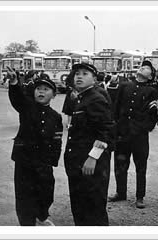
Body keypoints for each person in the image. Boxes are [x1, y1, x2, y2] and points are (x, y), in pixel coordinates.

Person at [7, 67, 63, 226]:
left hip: (43, 162)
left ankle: (41, 215)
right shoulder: (27, 107)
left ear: (53, 95)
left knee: (46, 191)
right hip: (24, 161)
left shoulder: (56, 117)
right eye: (38, 89)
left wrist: (52, 160)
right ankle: (27, 224)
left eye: (46, 89)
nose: (41, 92)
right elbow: (17, 98)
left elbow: (57, 139)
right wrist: (14, 82)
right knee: (24, 195)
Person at [63, 63, 114, 226]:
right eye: (77, 73)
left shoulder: (95, 99)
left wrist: (93, 157)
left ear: (94, 79)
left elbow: (106, 130)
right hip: (79, 161)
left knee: (93, 208)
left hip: (90, 163)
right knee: (80, 206)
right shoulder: (82, 97)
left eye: (85, 74)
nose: (79, 76)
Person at [108, 60, 158, 208]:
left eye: (147, 68)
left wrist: (144, 128)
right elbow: (115, 107)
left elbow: (153, 114)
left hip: (139, 136)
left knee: (140, 166)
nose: (143, 68)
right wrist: (115, 126)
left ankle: (140, 197)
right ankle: (120, 193)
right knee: (120, 164)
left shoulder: (151, 91)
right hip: (122, 133)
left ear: (150, 77)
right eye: (142, 66)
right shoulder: (125, 86)